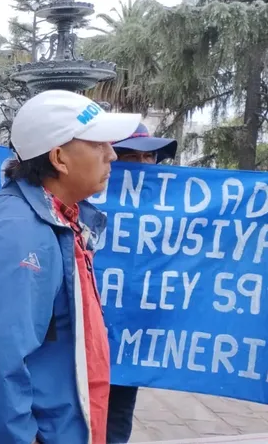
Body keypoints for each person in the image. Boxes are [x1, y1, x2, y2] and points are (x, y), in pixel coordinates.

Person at [0, 90, 140, 444]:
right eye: (98, 143)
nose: (112, 153)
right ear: (59, 158)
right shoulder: (22, 232)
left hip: (56, 423)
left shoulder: (54, 219)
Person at [106, 123, 177, 444]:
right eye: (133, 156)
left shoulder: (171, 212)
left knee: (117, 419)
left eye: (151, 157)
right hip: (78, 340)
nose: (145, 166)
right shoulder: (77, 204)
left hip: (131, 339)